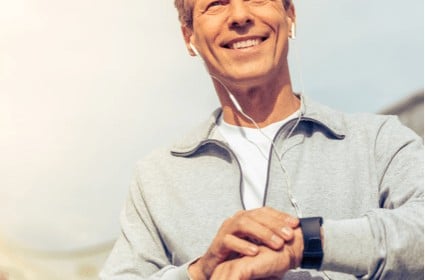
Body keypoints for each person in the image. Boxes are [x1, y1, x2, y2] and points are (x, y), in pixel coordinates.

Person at [100, 0, 424, 279]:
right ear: (189, 37)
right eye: (216, 3)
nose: (240, 16)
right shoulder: (157, 176)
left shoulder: (380, 141)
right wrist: (201, 271)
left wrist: (304, 242)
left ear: (290, 15)